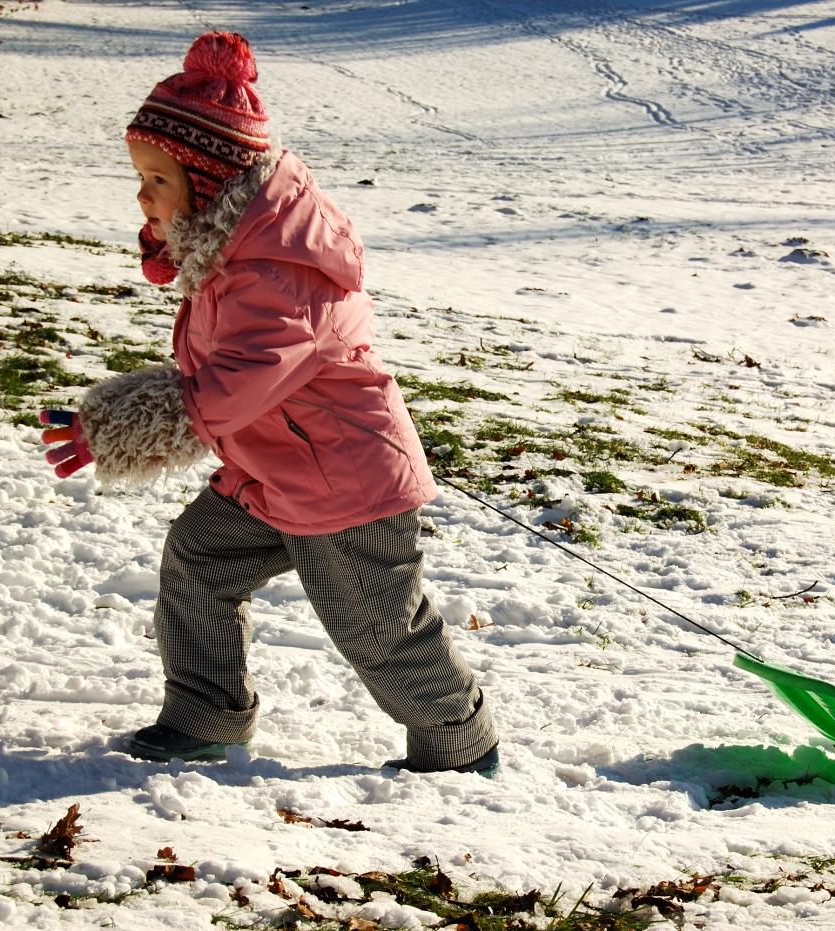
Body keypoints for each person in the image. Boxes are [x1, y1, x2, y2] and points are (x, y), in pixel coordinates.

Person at [38, 31, 498, 774]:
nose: (141, 195)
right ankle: (206, 715)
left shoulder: (278, 270)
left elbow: (235, 383)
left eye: (157, 178)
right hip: (276, 472)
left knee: (377, 631)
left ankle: (460, 743)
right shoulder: (235, 250)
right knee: (197, 560)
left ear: (209, 177)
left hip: (343, 486)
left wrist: (114, 424)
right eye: (140, 177)